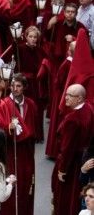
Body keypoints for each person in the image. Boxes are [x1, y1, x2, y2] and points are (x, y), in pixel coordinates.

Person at [0, 73, 37, 215]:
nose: (14, 89)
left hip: (27, 151)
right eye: (12, 85)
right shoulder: (3, 104)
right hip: (10, 151)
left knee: (26, 184)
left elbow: (34, 129)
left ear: (24, 88)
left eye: (18, 86)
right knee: (10, 183)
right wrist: (7, 127)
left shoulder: (31, 104)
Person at [53, 84, 94, 215]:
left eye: (70, 95)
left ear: (80, 98)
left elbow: (67, 148)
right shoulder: (89, 108)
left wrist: (62, 170)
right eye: (66, 94)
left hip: (72, 165)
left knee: (66, 198)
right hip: (83, 159)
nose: (65, 98)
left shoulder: (72, 119)